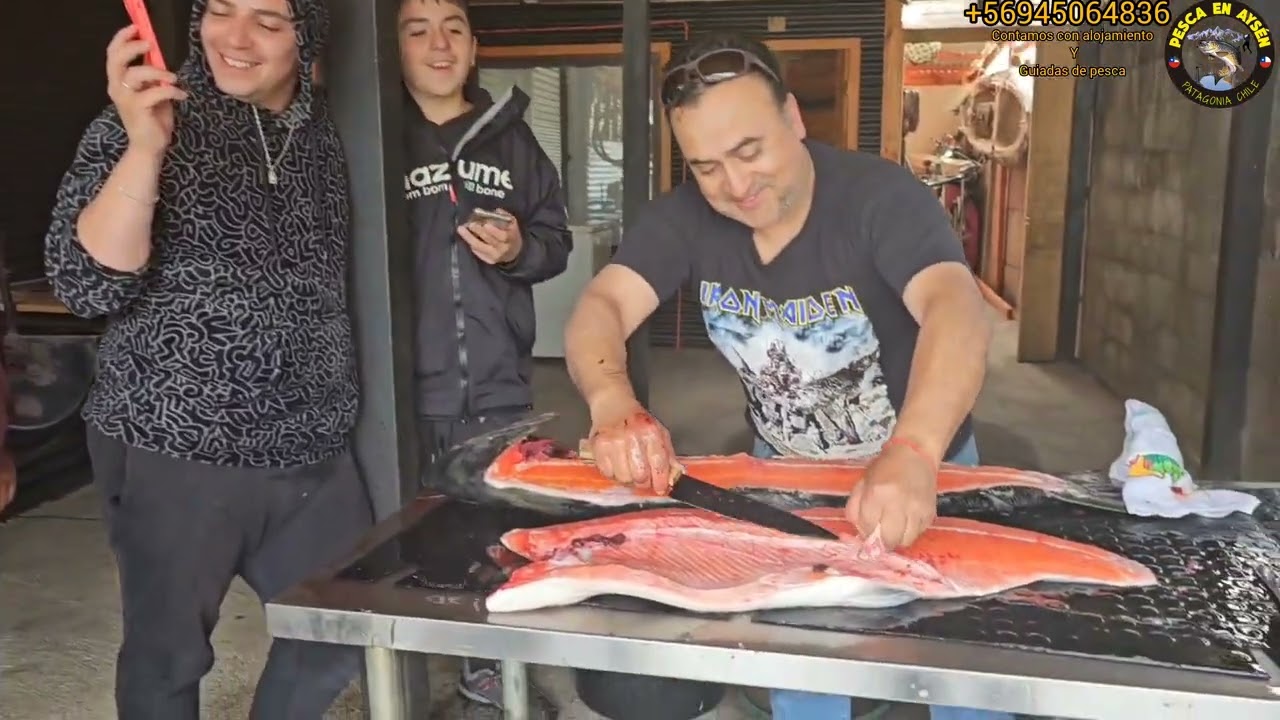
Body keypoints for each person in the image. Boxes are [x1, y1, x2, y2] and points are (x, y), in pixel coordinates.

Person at [564, 32, 1009, 720]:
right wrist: (611, 399)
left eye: (750, 151)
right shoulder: (683, 219)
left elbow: (957, 310)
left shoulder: (877, 197)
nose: (736, 186)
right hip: (788, 475)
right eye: (708, 167)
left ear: (794, 119)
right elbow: (603, 303)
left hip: (928, 466)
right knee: (804, 663)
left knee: (961, 669)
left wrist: (915, 450)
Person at [43, 0, 370, 717]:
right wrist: (145, 149)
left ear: (308, 35)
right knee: (168, 655)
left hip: (310, 441)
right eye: (220, 10)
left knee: (341, 624)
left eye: (268, 21)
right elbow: (86, 283)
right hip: (176, 440)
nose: (235, 39)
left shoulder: (327, 131)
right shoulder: (147, 118)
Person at [397, 0, 572, 708]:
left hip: (498, 383)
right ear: (398, 49)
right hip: (402, 382)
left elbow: (554, 241)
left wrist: (519, 250)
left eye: (454, 30)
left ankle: (485, 662)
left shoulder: (514, 139)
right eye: (417, 31)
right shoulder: (377, 134)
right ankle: (408, 654)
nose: (438, 45)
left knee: (495, 529)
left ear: (473, 48)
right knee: (409, 531)